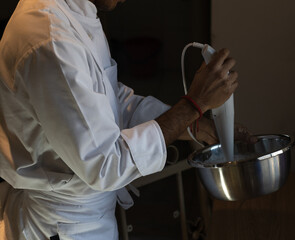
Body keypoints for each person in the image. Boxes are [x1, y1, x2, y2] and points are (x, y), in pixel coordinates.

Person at [0, 0, 254, 239]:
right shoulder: (49, 40)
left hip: (82, 215)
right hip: (62, 225)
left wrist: (195, 126)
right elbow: (105, 163)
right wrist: (193, 105)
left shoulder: (76, 13)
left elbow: (113, 105)